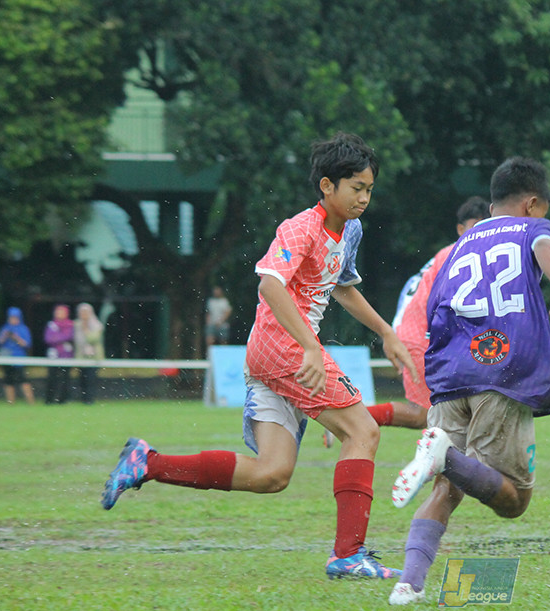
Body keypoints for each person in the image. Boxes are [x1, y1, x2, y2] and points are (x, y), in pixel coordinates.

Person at [101, 132, 417, 581]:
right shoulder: (301, 227)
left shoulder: (350, 229)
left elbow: (343, 288)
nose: (364, 198)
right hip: (284, 347)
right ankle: (348, 554)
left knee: (271, 474)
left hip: (272, 354)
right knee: (362, 430)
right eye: (356, 188)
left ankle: (146, 464)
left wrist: (386, 331)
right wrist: (310, 345)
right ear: (327, 186)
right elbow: (269, 284)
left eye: (369, 189)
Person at [386, 156, 550, 605]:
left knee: (446, 492)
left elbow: (436, 309)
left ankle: (408, 583)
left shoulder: (459, 245)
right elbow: (544, 247)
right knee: (514, 502)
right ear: (532, 204)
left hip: (451, 373)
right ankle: (444, 457)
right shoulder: (532, 228)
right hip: (501, 372)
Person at [322, 196, 489, 447]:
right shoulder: (460, 253)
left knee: (438, 414)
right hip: (422, 336)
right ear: (460, 229)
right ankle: (348, 420)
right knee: (424, 414)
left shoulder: (447, 253)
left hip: (414, 331)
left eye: (484, 228)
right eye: (474, 227)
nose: (479, 235)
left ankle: (351, 420)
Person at [0, 306, 35, 404]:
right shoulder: (5, 329)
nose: (13, 320)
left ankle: (31, 402)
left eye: (15, 317)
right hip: (7, 359)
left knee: (23, 380)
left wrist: (16, 338)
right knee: (8, 381)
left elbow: (27, 344)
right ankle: (11, 402)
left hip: (19, 359)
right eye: (11, 317)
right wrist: (5, 336)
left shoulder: (23, 329)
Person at [74, 302, 105, 404]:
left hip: (93, 358)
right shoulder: (76, 324)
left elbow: (93, 339)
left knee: (91, 380)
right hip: (81, 357)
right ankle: (83, 399)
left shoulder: (97, 325)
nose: (84, 314)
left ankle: (90, 400)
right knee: (82, 380)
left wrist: (86, 329)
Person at [44, 304, 74, 404]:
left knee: (65, 378)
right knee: (52, 377)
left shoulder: (70, 324)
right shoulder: (51, 324)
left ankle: (63, 400)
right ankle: (49, 399)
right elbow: (48, 339)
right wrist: (61, 337)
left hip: (66, 356)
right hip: (53, 356)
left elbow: (68, 336)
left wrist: (56, 337)